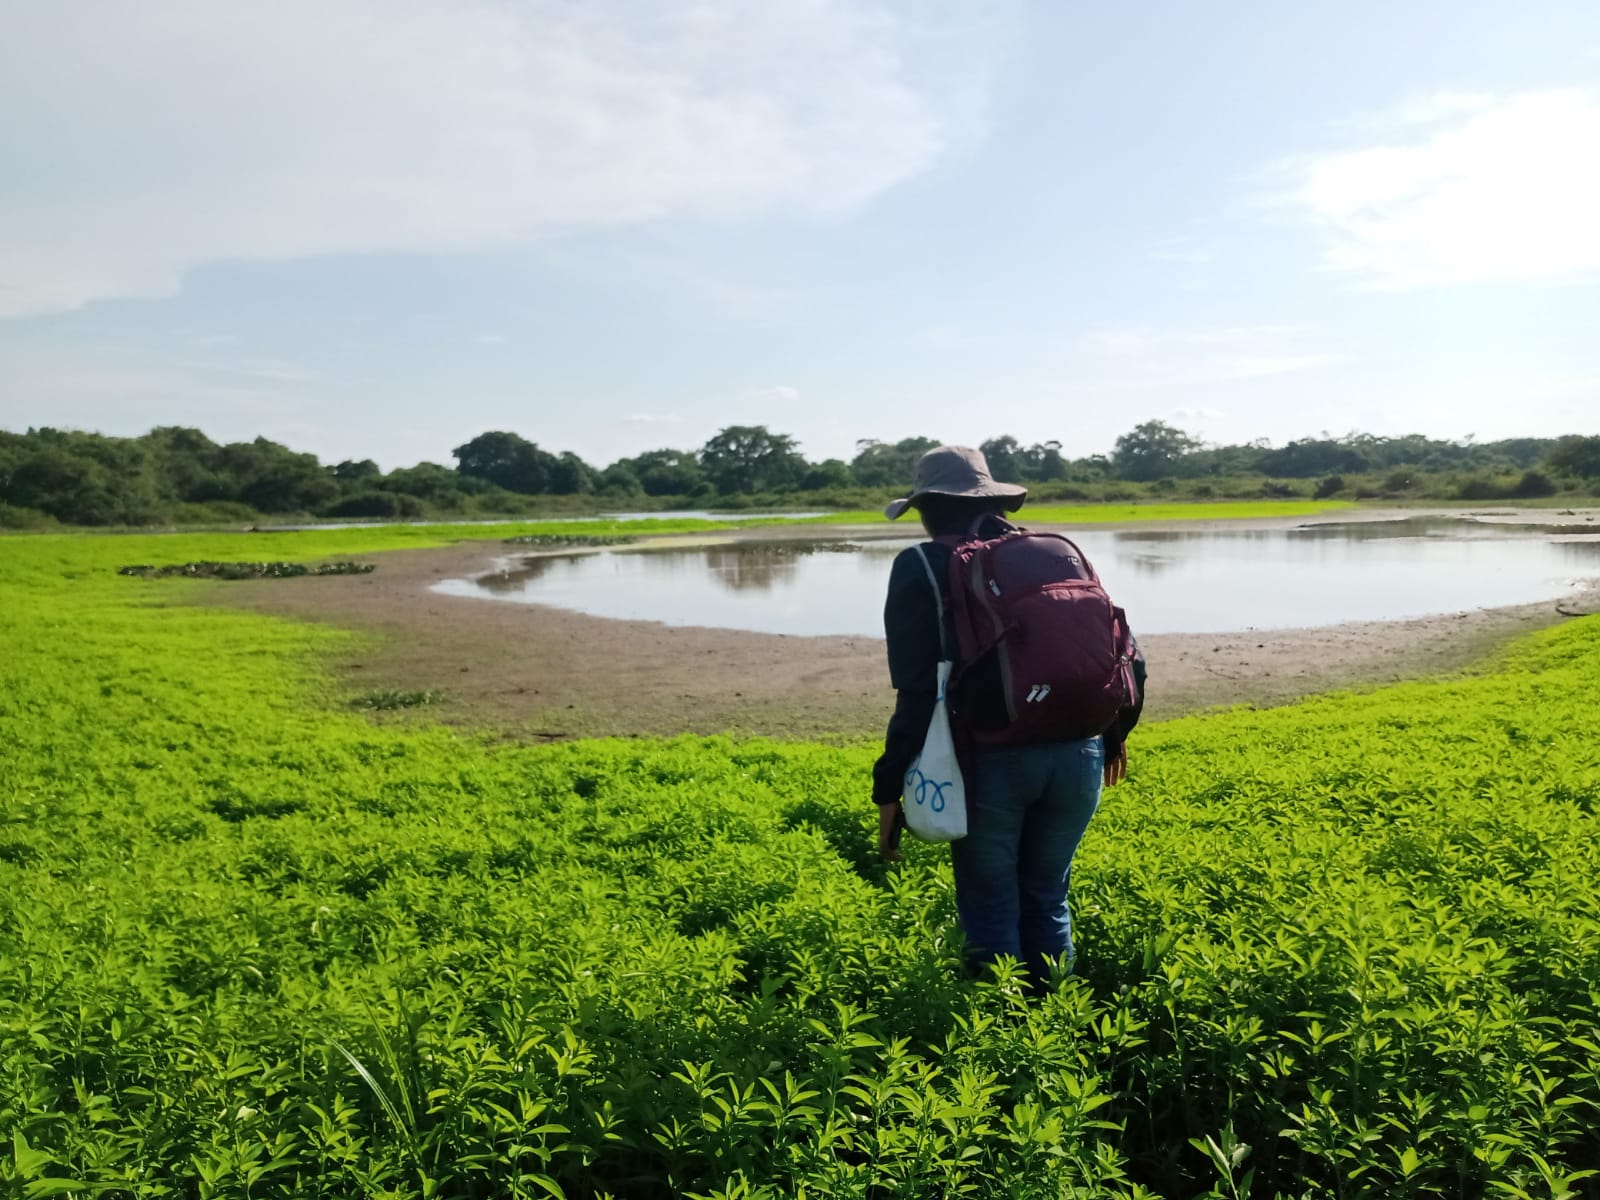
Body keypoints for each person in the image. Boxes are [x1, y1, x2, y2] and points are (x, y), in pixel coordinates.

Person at [872, 445, 1145, 987]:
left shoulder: (922, 565)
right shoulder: (1055, 555)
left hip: (990, 757)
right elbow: (1126, 655)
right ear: (994, 499)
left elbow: (918, 689)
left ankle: (1000, 1035)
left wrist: (888, 790)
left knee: (991, 903)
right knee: (1047, 896)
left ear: (925, 509)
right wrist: (1112, 737)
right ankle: (1056, 1024)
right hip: (1079, 753)